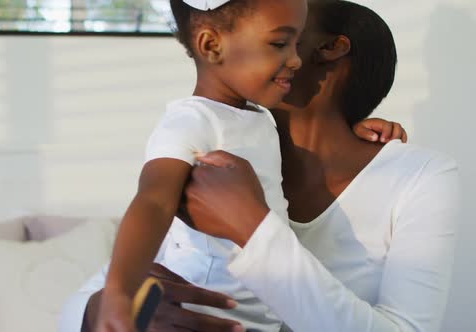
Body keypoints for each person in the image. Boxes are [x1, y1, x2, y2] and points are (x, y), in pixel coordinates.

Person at [60, 0, 460, 331]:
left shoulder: (420, 178)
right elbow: (82, 302)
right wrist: (104, 311)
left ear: (329, 48)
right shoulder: (214, 148)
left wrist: (253, 227)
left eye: (291, 35)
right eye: (277, 39)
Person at [93, 0, 308, 330]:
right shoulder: (191, 121)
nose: (296, 59)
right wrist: (119, 291)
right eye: (280, 43)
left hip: (266, 315)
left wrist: (361, 130)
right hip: (208, 313)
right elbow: (153, 200)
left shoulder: (261, 117)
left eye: (298, 43)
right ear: (212, 46)